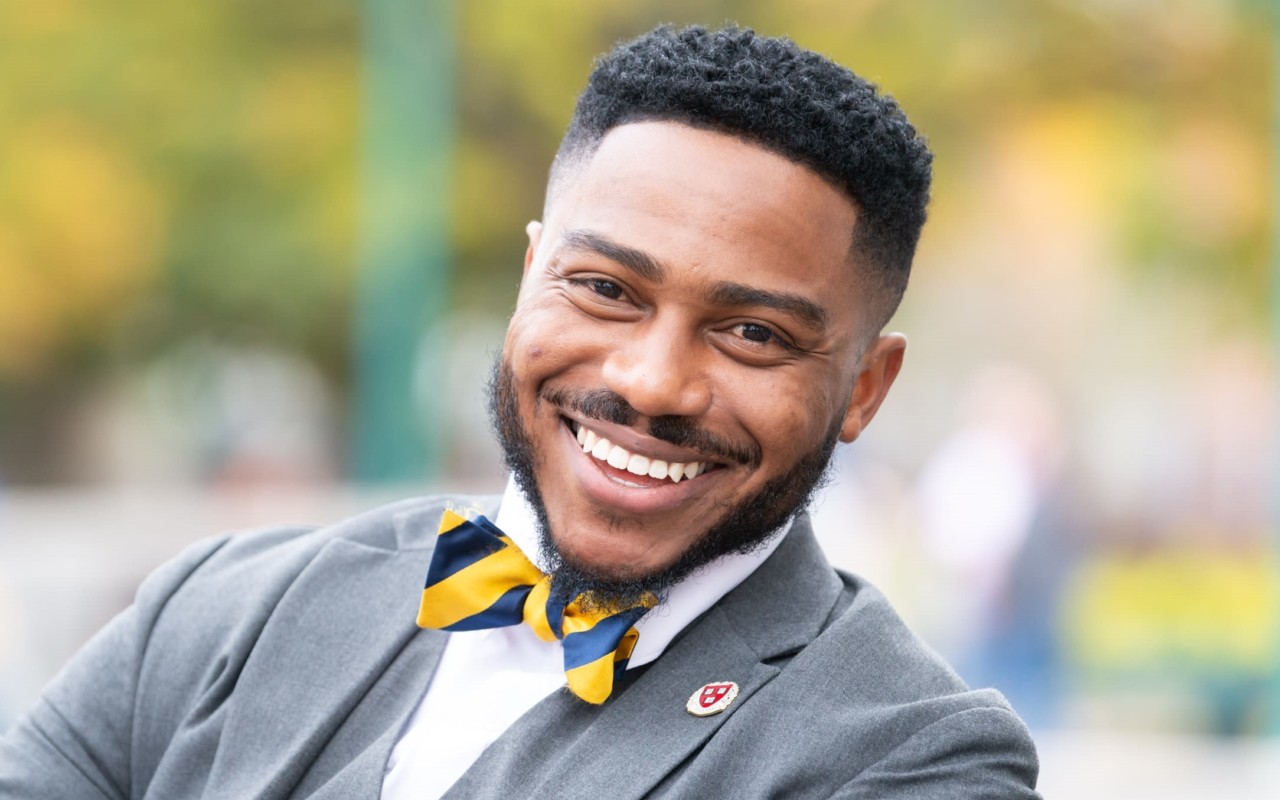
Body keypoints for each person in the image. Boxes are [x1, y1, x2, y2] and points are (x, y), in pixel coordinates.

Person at [0, 24, 1041, 798]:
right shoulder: (216, 612)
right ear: (530, 269)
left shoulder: (912, 758)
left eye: (751, 334)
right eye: (604, 289)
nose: (648, 382)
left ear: (864, 387)